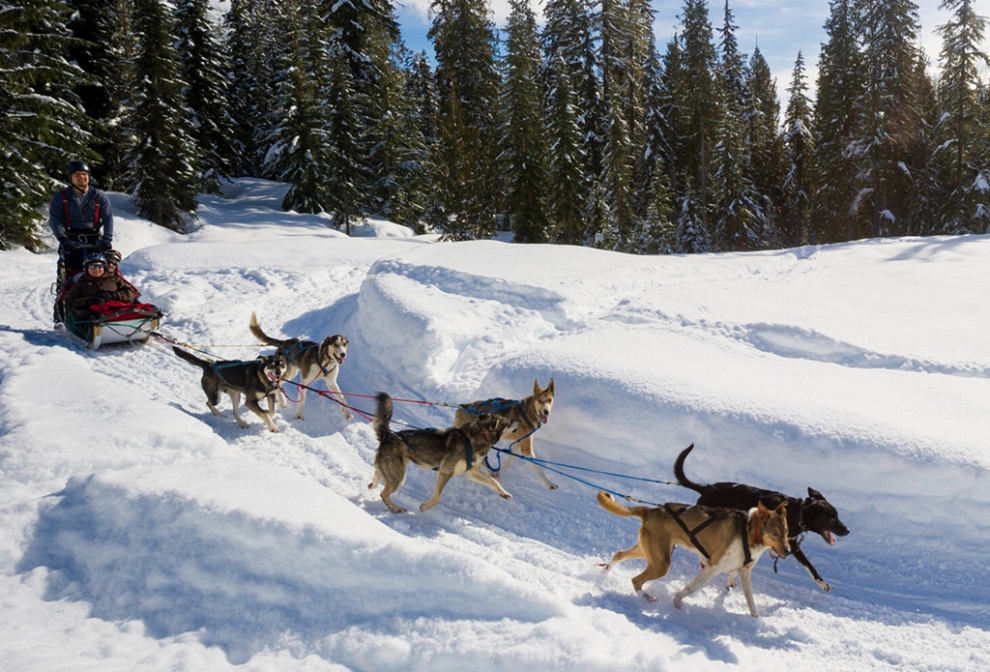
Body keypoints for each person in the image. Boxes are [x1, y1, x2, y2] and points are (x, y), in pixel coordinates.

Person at [48, 160, 114, 280]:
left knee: (101, 270)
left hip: (93, 236)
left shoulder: (99, 196)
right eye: (77, 175)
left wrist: (107, 238)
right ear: (70, 178)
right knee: (70, 272)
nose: (81, 177)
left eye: (84, 174)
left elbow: (108, 218)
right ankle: (66, 293)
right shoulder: (61, 197)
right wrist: (63, 239)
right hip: (71, 237)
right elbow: (54, 220)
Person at [63, 252, 139, 319]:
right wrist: (89, 301)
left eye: (99, 266)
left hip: (117, 307)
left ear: (104, 267)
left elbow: (131, 292)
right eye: (92, 266)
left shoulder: (114, 279)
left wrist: (113, 296)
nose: (96, 269)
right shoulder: (81, 283)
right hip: (94, 312)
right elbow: (69, 301)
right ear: (87, 268)